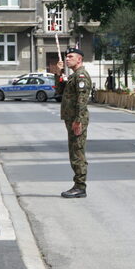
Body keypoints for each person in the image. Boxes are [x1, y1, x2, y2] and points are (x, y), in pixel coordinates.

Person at [59, 48, 92, 198]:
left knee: (77, 152)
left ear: (79, 59)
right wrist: (58, 73)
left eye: (70, 56)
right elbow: (60, 91)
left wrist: (78, 120)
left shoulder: (81, 76)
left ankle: (80, 187)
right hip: (71, 119)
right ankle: (78, 185)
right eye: (66, 56)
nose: (67, 59)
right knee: (74, 152)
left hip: (77, 120)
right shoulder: (73, 76)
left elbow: (82, 100)